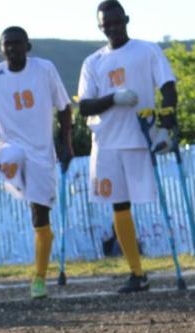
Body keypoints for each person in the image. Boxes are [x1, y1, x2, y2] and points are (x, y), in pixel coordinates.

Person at [0, 27, 73, 299]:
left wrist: (67, 142)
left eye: (17, 44)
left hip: (41, 153)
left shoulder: (44, 69)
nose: (12, 49)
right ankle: (14, 179)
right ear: (1, 49)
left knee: (40, 213)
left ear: (28, 46)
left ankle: (39, 278)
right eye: (7, 45)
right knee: (13, 157)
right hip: (8, 150)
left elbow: (65, 107)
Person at [78, 0, 177, 293]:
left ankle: (173, 264)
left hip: (139, 138)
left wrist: (168, 119)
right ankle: (137, 273)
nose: (111, 28)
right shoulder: (92, 62)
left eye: (115, 21)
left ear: (126, 19)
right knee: (118, 205)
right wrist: (113, 98)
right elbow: (84, 107)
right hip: (106, 142)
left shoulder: (147, 50)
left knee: (151, 199)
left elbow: (168, 86)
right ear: (100, 27)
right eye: (105, 24)